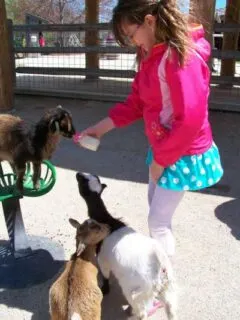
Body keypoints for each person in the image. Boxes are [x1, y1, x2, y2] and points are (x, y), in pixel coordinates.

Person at [76, 0, 223, 262]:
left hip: (180, 152)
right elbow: (137, 103)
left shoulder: (179, 57)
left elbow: (190, 119)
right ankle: (159, 273)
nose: (132, 42)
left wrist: (161, 160)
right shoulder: (150, 54)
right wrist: (101, 128)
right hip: (164, 147)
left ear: (150, 21)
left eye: (131, 34)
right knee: (156, 212)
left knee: (158, 221)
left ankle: (161, 283)